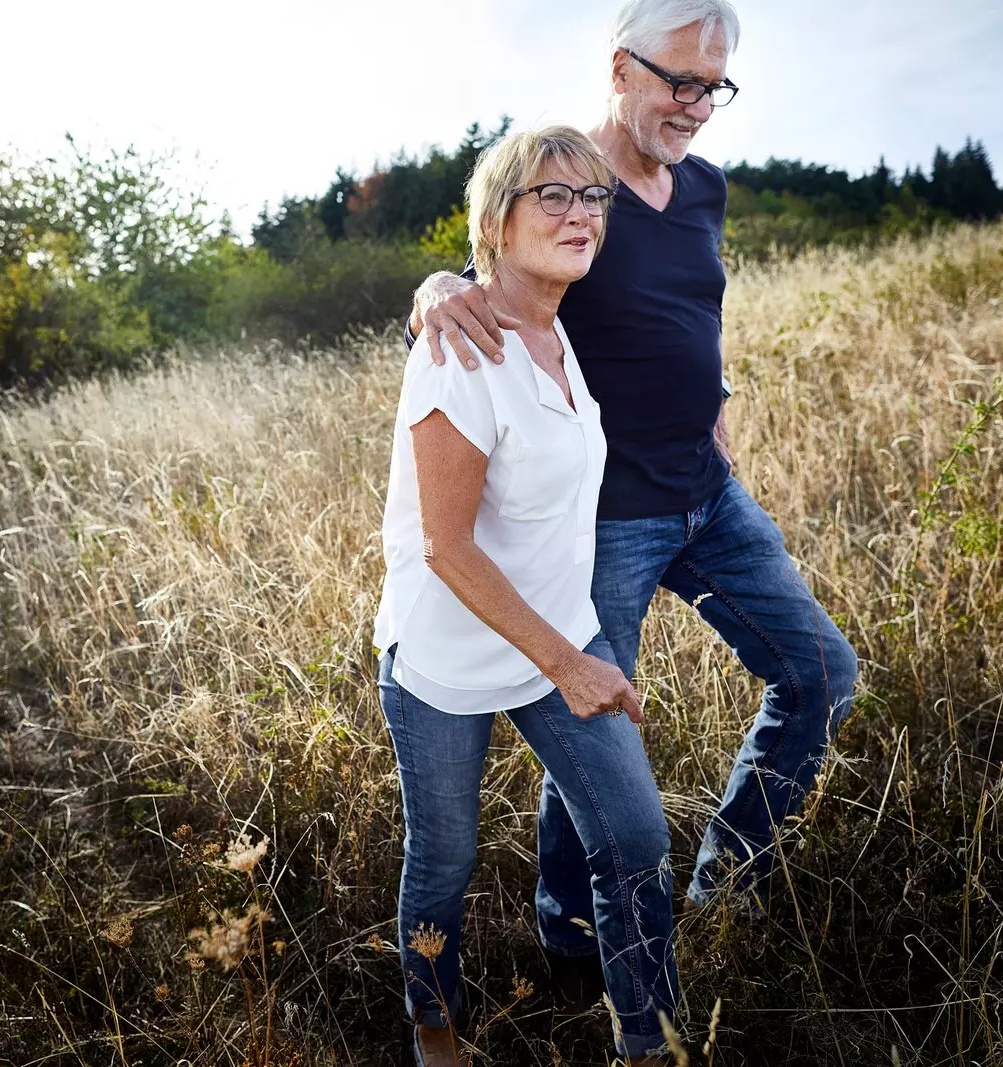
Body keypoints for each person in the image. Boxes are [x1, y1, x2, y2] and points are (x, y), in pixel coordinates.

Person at [405, 0, 858, 1005]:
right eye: (679, 82)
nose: (698, 105)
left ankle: (726, 883)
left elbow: (699, 305)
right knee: (594, 714)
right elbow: (484, 274)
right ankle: (568, 934)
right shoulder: (572, 188)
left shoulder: (702, 188)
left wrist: (719, 394)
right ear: (621, 65)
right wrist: (434, 285)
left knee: (822, 673)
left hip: (711, 498)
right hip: (606, 518)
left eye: (715, 85)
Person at [375, 125, 677, 1067]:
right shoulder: (457, 348)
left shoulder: (556, 327)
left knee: (634, 836)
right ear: (496, 219)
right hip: (450, 653)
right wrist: (572, 666)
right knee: (446, 859)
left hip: (557, 633)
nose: (582, 213)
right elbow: (450, 548)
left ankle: (647, 1036)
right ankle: (434, 1025)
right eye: (554, 195)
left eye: (594, 197)